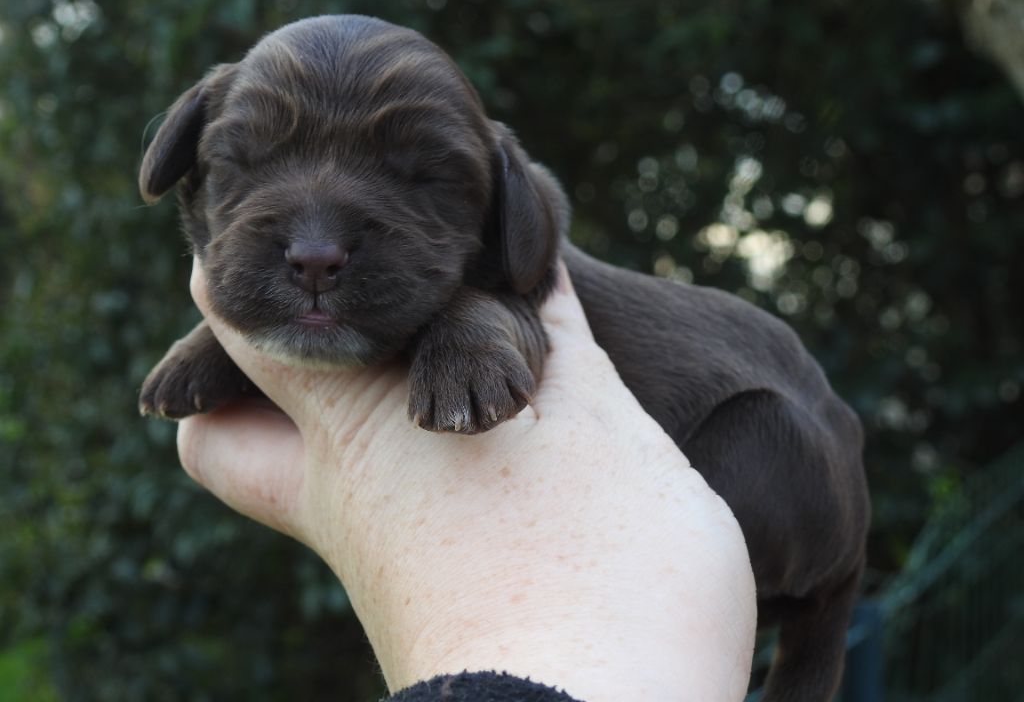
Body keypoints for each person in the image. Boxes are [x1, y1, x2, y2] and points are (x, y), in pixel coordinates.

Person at [177, 259, 758, 702]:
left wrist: (480, 612)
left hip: (751, 463)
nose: (317, 250)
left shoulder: (503, 276)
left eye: (420, 177)